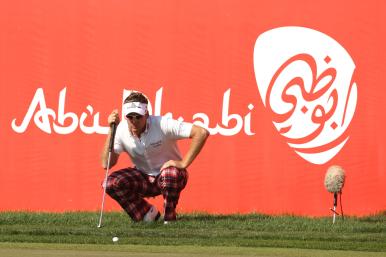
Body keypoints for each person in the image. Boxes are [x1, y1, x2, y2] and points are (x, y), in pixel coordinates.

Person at [101, 91, 209, 223]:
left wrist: (183, 163)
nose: (134, 121)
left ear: (146, 114)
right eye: (130, 117)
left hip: (170, 176)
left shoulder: (163, 123)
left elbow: (201, 133)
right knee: (110, 183)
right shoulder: (120, 130)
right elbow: (106, 164)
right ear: (125, 116)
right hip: (143, 178)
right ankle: (147, 214)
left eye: (138, 116)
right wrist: (111, 130)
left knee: (170, 174)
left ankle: (169, 219)